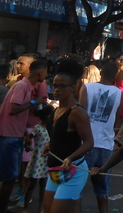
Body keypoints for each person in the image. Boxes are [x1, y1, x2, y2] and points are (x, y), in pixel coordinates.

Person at [0, 59, 48, 213]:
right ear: (40, 72)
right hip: (8, 136)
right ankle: (2, 209)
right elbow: (13, 109)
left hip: (14, 135)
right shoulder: (22, 86)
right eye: (46, 71)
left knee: (12, 176)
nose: (46, 75)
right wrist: (32, 102)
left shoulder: (27, 86)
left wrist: (24, 135)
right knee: (9, 178)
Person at [43, 58, 94, 213]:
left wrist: (70, 158)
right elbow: (60, 138)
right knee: (47, 209)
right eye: (55, 86)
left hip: (74, 170)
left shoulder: (77, 112)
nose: (57, 90)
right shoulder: (56, 111)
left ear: (72, 87)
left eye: (62, 86)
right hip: (56, 169)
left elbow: (89, 142)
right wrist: (49, 146)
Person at [79, 62, 123, 213]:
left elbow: (81, 113)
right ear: (115, 75)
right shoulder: (119, 92)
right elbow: (118, 118)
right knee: (102, 189)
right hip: (106, 144)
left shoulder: (87, 88)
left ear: (101, 72)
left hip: (86, 143)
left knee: (77, 185)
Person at [23, 105, 53, 213]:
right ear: (48, 116)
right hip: (37, 160)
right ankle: (25, 207)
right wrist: (27, 146)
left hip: (45, 161)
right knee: (32, 184)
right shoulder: (38, 128)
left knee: (43, 185)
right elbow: (28, 138)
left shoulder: (51, 128)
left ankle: (41, 207)